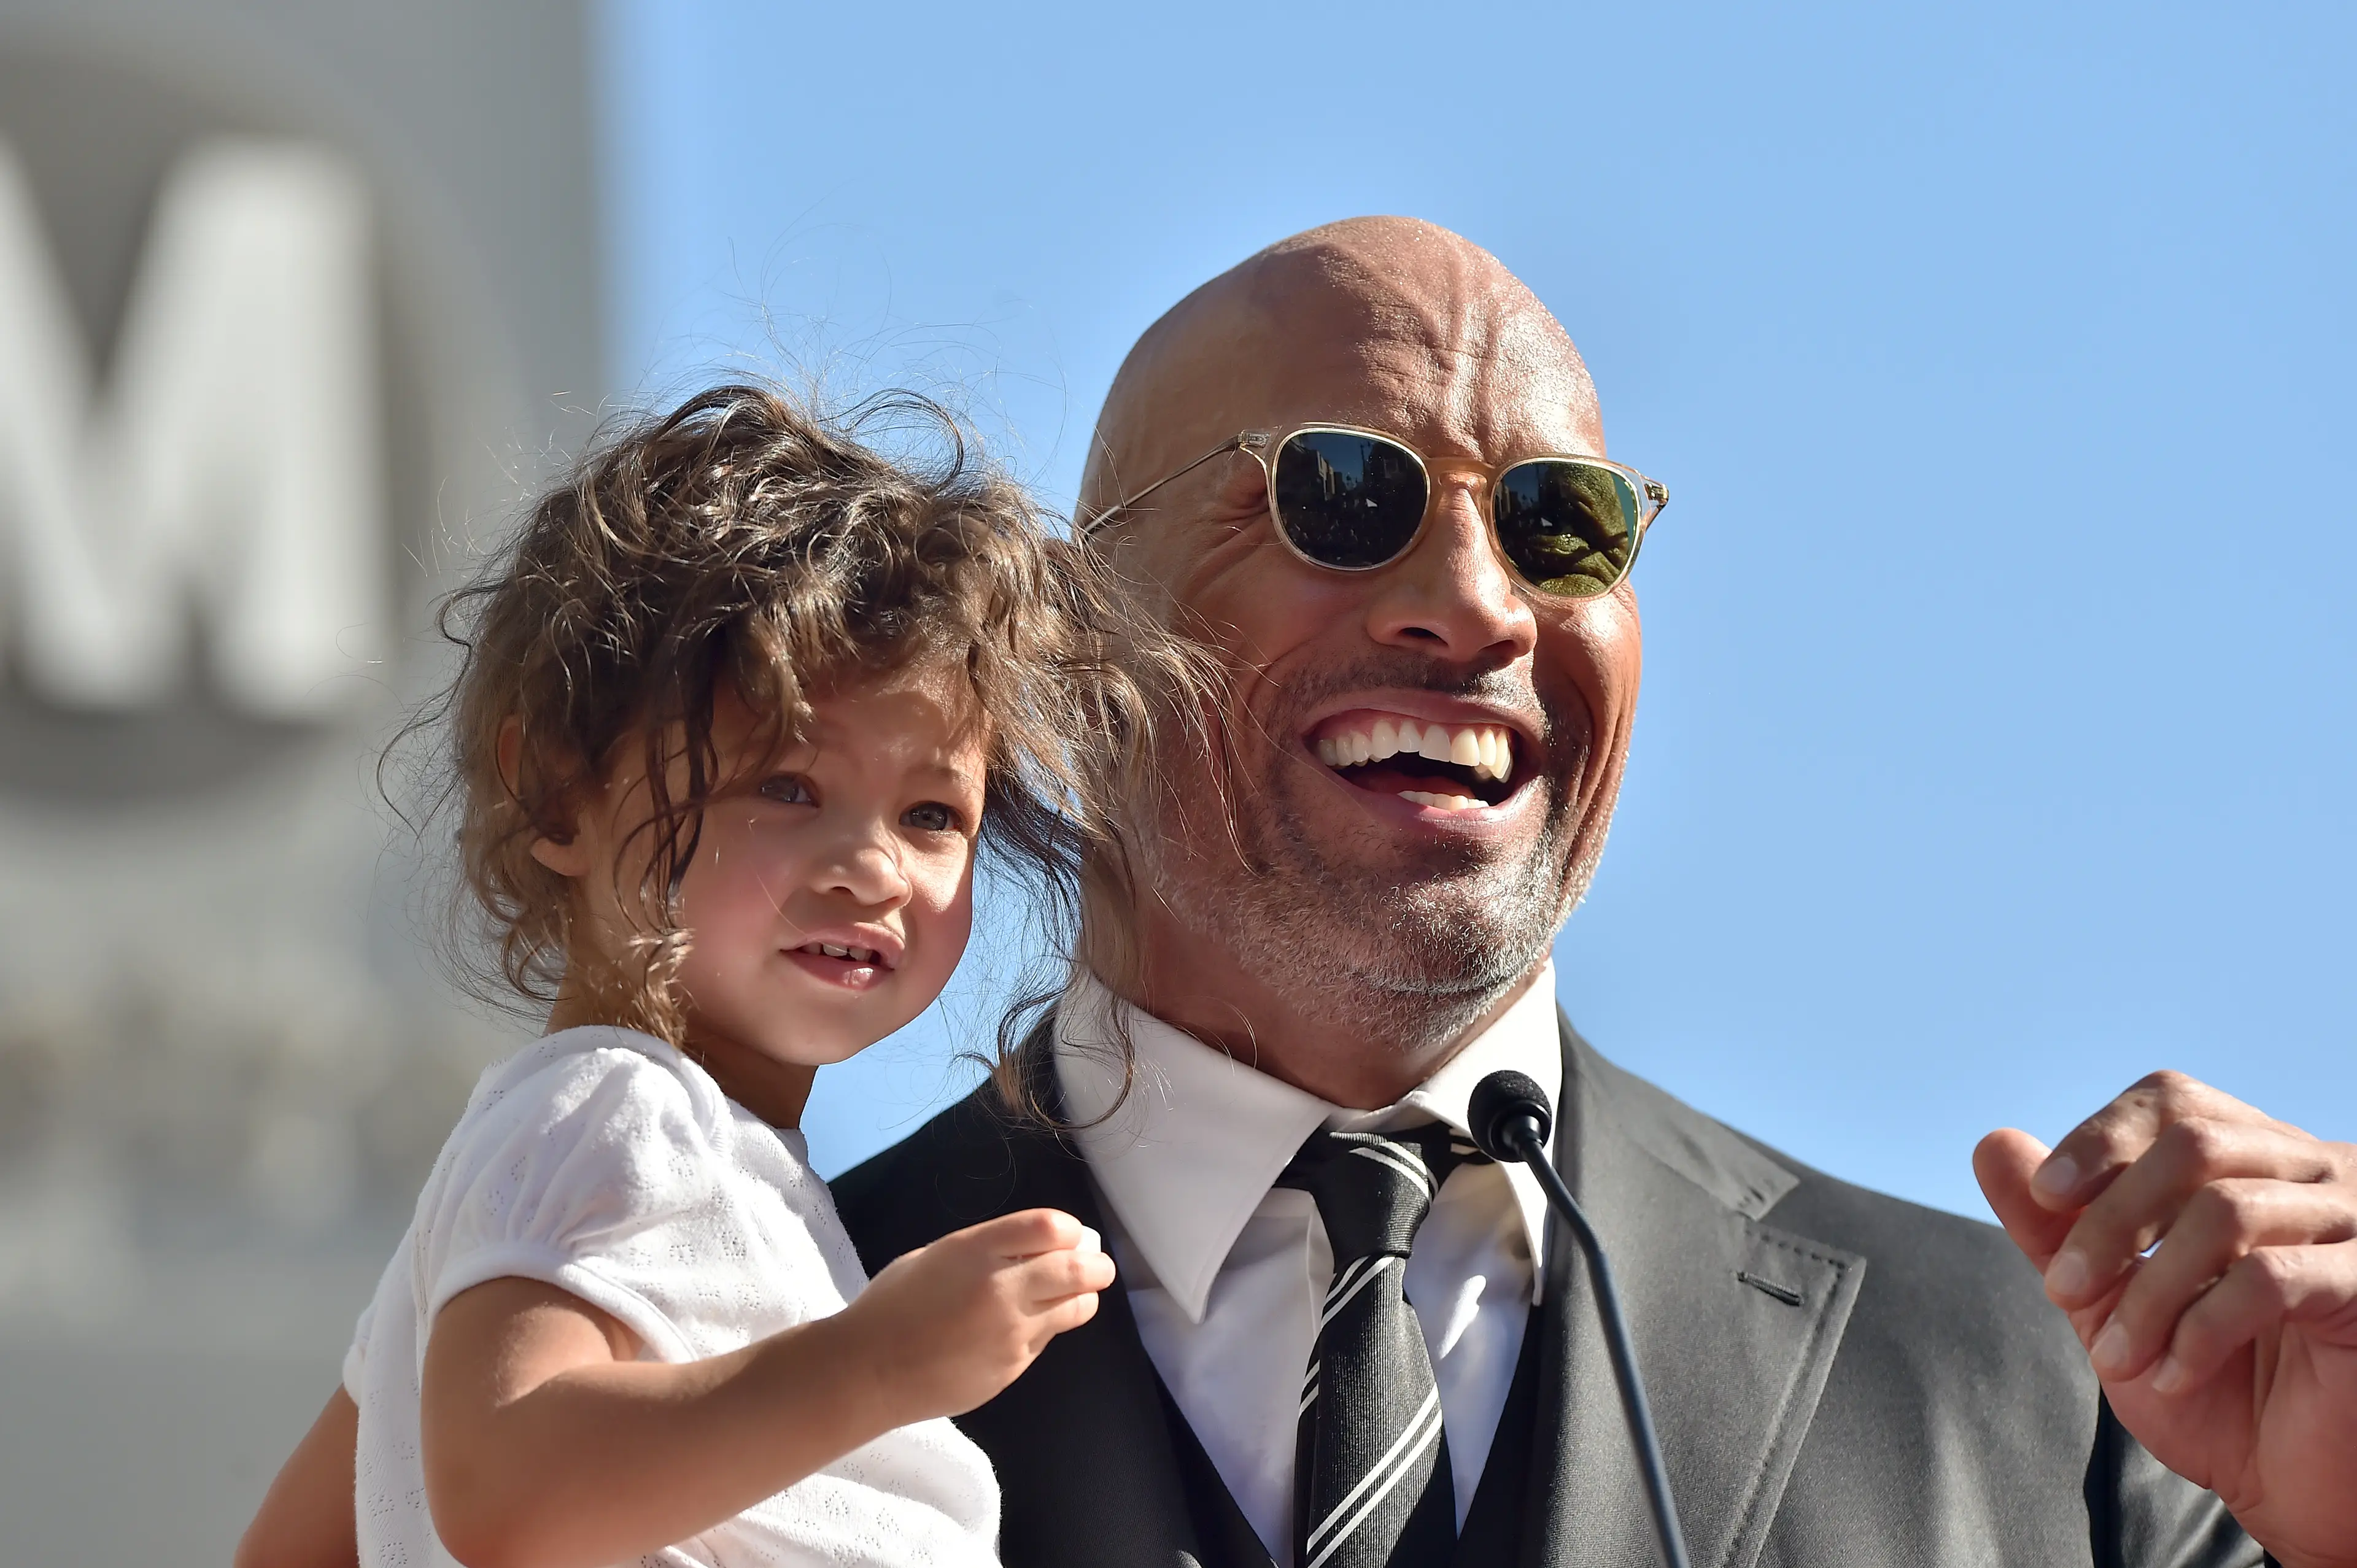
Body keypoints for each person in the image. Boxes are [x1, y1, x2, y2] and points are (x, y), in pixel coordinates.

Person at [830, 219, 2357, 1567]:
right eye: (1345, 495)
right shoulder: (736, 1328)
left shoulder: (2046, 1391)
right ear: (1062, 638)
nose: (1481, 605)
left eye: (1564, 527)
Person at [237, 385, 1207, 1568]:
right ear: (558, 792)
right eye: (788, 786)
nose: (870, 868)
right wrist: (880, 1362)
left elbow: (290, 1552)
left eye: (931, 812)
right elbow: (505, 1493)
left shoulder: (614, 1162)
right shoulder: (617, 1109)